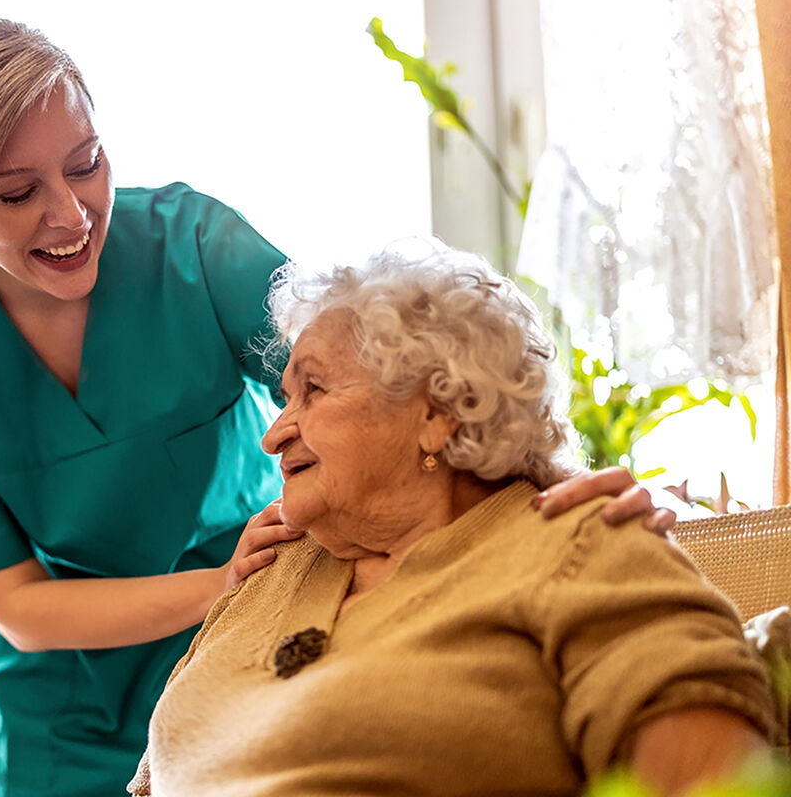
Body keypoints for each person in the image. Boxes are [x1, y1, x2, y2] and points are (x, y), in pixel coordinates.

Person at [0, 19, 676, 797]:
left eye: (86, 163)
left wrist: (567, 492)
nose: (72, 214)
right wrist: (216, 587)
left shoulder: (191, 244)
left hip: (253, 643)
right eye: (17, 194)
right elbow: (17, 606)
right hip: (61, 710)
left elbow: (384, 393)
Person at [127, 238, 777, 797]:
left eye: (314, 390)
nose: (273, 436)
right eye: (286, 396)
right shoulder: (269, 568)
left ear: (439, 412)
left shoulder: (578, 543)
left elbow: (713, 771)